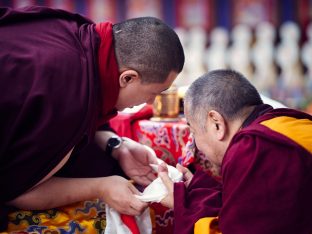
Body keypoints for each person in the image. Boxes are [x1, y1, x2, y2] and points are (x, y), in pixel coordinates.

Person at [0, 5, 184, 230]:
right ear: (127, 78)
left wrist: (117, 145)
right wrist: (101, 188)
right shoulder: (67, 94)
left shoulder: (82, 35)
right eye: (154, 93)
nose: (150, 103)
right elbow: (16, 189)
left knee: (103, 163)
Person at [158, 69, 312, 234]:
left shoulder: (252, 149)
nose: (196, 144)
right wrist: (198, 192)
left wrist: (182, 206)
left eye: (194, 132)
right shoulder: (288, 123)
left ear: (216, 123)